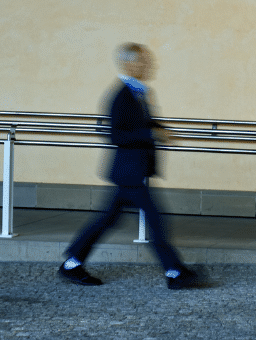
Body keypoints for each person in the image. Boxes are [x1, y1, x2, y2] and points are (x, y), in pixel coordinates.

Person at [57, 43, 201, 288]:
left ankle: (72, 263)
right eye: (143, 61)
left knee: (107, 220)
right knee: (155, 222)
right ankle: (175, 272)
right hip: (130, 172)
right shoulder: (121, 95)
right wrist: (150, 134)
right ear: (128, 64)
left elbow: (142, 123)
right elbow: (116, 136)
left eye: (147, 61)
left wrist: (159, 128)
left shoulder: (139, 92)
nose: (148, 65)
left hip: (133, 171)